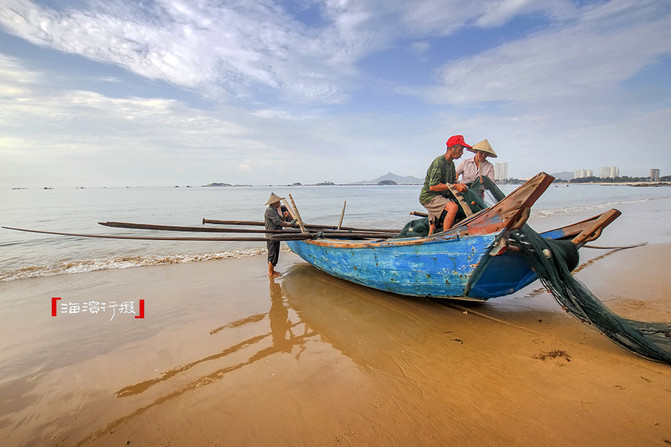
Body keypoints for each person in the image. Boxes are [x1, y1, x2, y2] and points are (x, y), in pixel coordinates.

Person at [419, 135, 471, 235]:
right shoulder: (439, 162)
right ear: (452, 148)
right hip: (429, 196)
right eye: (460, 149)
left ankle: (431, 241)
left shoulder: (451, 164)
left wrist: (460, 185)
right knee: (453, 207)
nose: (462, 153)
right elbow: (433, 186)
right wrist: (455, 186)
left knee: (432, 228)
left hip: (440, 196)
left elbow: (453, 182)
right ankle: (445, 236)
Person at [264, 192, 291, 277]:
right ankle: (270, 272)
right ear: (274, 203)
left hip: (277, 234)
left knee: (275, 253)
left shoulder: (274, 210)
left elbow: (280, 220)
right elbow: (278, 222)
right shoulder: (270, 211)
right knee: (272, 253)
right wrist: (290, 224)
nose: (280, 203)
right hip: (272, 235)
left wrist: (284, 216)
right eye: (278, 202)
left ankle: (273, 271)